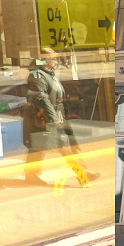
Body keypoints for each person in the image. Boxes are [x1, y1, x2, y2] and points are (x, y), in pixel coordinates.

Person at [23, 48, 94, 187]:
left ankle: (30, 175)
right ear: (43, 59)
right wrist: (53, 119)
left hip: (56, 115)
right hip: (46, 117)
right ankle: (83, 174)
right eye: (53, 58)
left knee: (50, 146)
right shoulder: (37, 75)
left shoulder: (49, 73)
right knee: (51, 145)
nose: (56, 61)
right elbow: (43, 99)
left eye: (56, 58)